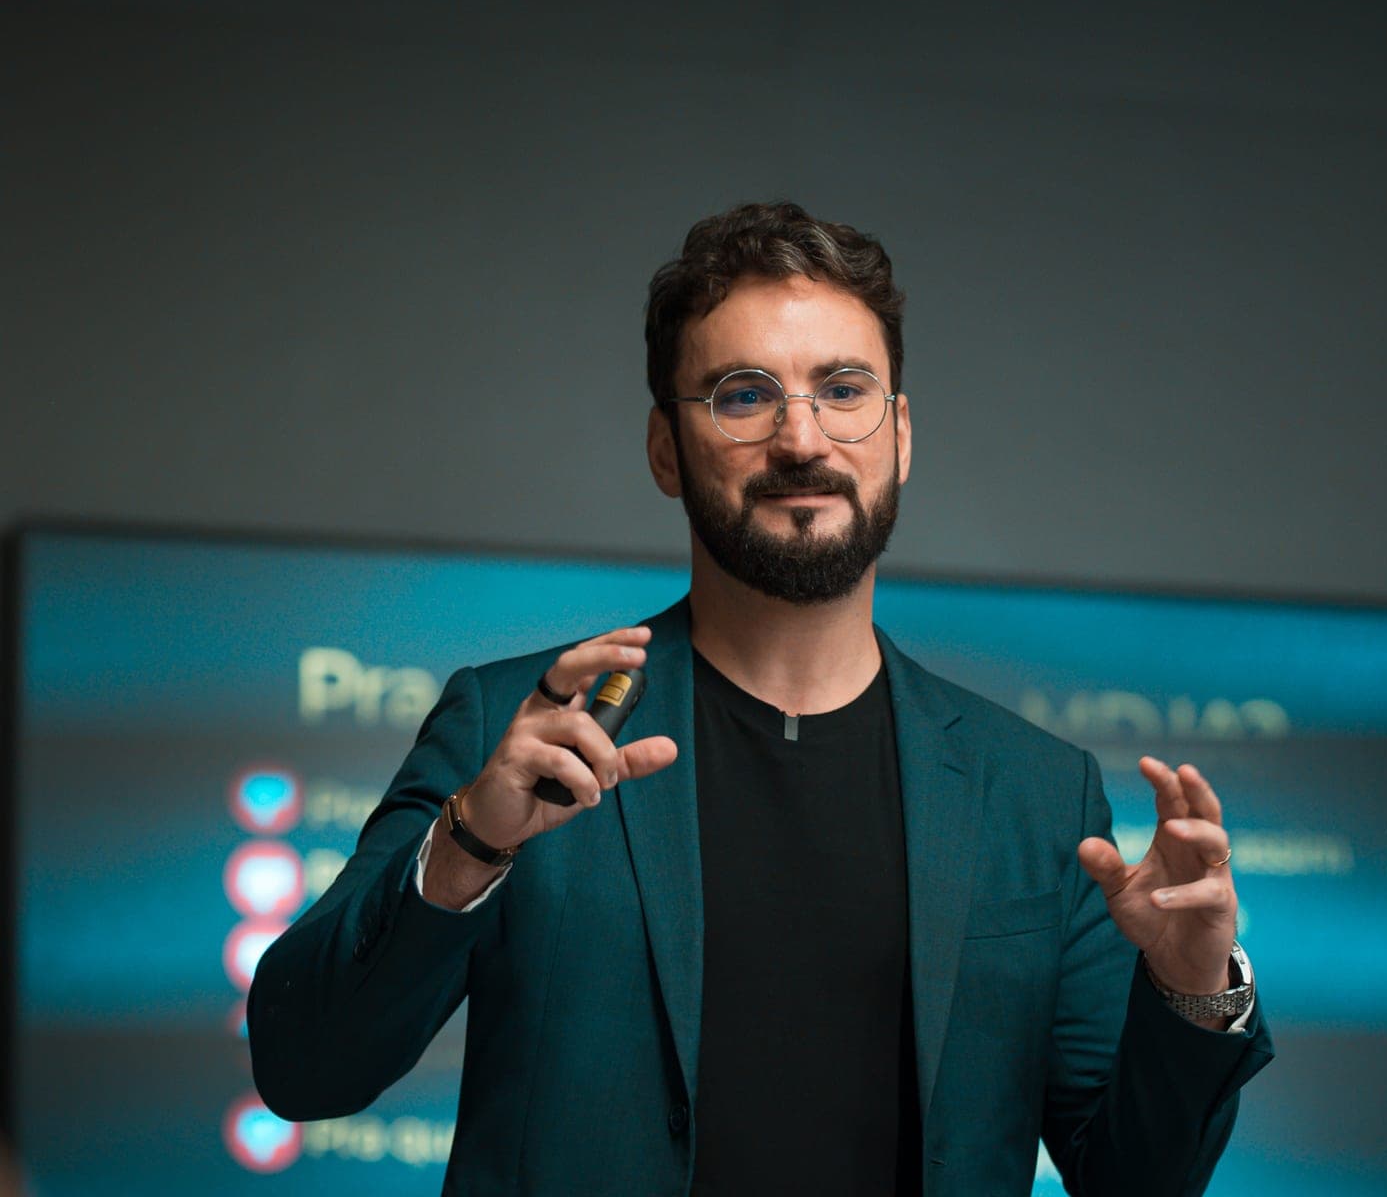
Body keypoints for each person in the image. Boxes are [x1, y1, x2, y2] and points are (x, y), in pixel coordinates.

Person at [248, 201, 1274, 1195]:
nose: (801, 439)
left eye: (843, 390)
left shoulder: (1035, 793)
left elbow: (1134, 1178)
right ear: (665, 449)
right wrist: (472, 842)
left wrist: (1191, 991)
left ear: (900, 435)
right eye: (743, 395)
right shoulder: (514, 730)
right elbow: (304, 1069)